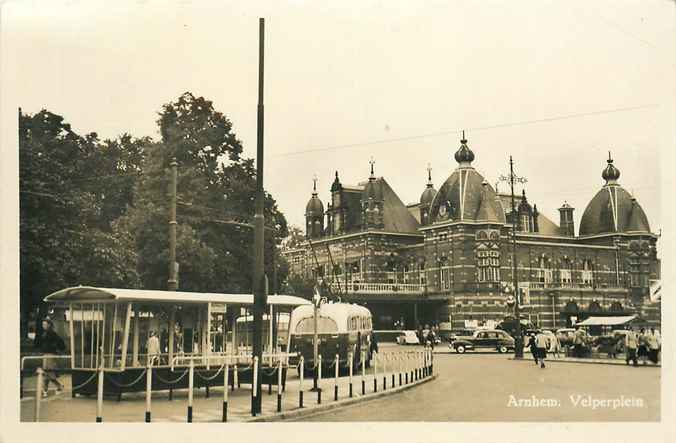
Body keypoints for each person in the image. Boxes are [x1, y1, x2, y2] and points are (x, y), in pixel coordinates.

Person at [34, 318, 66, 396]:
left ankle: (47, 389)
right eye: (43, 324)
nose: (43, 326)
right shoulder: (45, 333)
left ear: (49, 325)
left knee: (48, 372)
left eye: (44, 324)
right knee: (48, 373)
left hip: (50, 354)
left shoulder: (51, 333)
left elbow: (61, 343)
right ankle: (58, 386)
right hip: (47, 354)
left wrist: (57, 349)